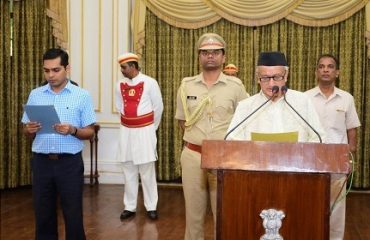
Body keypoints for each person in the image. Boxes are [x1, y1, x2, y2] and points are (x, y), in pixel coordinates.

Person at [175, 33, 249, 240]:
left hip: (224, 158)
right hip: (192, 156)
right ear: (199, 56)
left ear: (223, 57)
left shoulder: (236, 87)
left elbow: (244, 121)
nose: (210, 56)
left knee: (224, 214)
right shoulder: (186, 85)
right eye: (205, 52)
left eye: (215, 52)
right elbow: (183, 120)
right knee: (193, 215)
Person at [21, 48, 96, 240]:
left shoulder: (82, 95)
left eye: (56, 70)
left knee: (72, 214)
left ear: (67, 68)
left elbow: (90, 132)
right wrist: (28, 130)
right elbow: (25, 130)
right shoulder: (35, 94)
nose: (50, 75)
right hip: (41, 163)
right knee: (43, 213)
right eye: (46, 70)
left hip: (69, 164)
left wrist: (73, 130)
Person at [305, 54, 361, 240]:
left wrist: (349, 158)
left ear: (337, 72)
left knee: (336, 209)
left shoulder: (346, 99)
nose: (326, 70)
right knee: (311, 205)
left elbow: (351, 130)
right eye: (321, 66)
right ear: (316, 72)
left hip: (337, 161)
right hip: (311, 161)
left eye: (330, 66)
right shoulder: (305, 99)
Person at [227, 51, 325, 142]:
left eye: (277, 77)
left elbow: (319, 138)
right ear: (258, 78)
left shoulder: (302, 101)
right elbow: (232, 141)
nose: (271, 84)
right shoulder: (246, 107)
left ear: (286, 75)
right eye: (265, 78)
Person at [115, 52, 163, 221]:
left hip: (144, 132)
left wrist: (150, 129)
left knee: (147, 171)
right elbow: (119, 105)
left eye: (124, 67)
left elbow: (158, 108)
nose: (121, 70)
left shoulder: (151, 83)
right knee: (128, 169)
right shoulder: (119, 84)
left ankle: (151, 206)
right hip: (126, 132)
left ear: (133, 66)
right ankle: (130, 206)